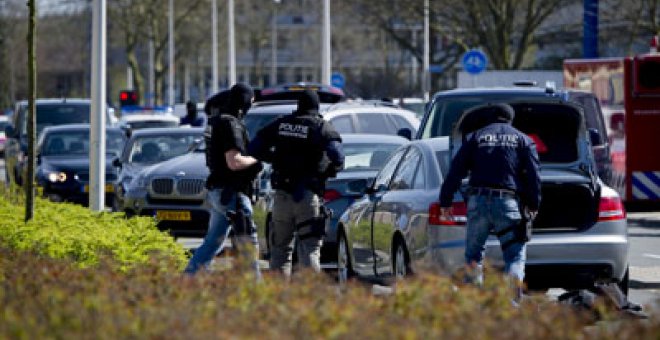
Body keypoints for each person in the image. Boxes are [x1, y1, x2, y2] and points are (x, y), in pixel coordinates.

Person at [438, 103, 541, 301]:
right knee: (515, 256)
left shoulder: (476, 138)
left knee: (474, 256)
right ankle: (512, 305)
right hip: (507, 202)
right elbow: (534, 176)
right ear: (510, 120)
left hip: (477, 201)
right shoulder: (522, 139)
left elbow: (455, 171)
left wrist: (446, 201)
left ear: (491, 118)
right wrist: (533, 203)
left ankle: (475, 306)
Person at [249, 90, 344, 277]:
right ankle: (310, 297)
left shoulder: (281, 124)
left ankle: (280, 298)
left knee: (280, 249)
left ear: (298, 105)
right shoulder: (321, 127)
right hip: (308, 197)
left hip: (282, 197)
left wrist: (274, 158)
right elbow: (338, 156)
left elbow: (253, 148)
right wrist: (328, 169)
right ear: (316, 107)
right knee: (309, 249)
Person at [184, 84, 262, 278]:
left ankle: (189, 278)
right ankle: (255, 286)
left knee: (213, 242)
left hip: (219, 190)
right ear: (244, 101)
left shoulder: (217, 121)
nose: (251, 105)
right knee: (247, 242)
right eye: (251, 101)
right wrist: (256, 158)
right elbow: (234, 162)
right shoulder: (231, 124)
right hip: (232, 193)